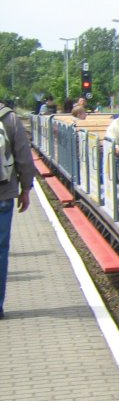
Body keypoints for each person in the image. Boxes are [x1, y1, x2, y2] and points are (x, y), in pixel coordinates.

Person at [1, 101, 35, 319]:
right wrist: (26, 188)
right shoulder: (9, 118)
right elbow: (24, 157)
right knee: (1, 249)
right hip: (3, 193)